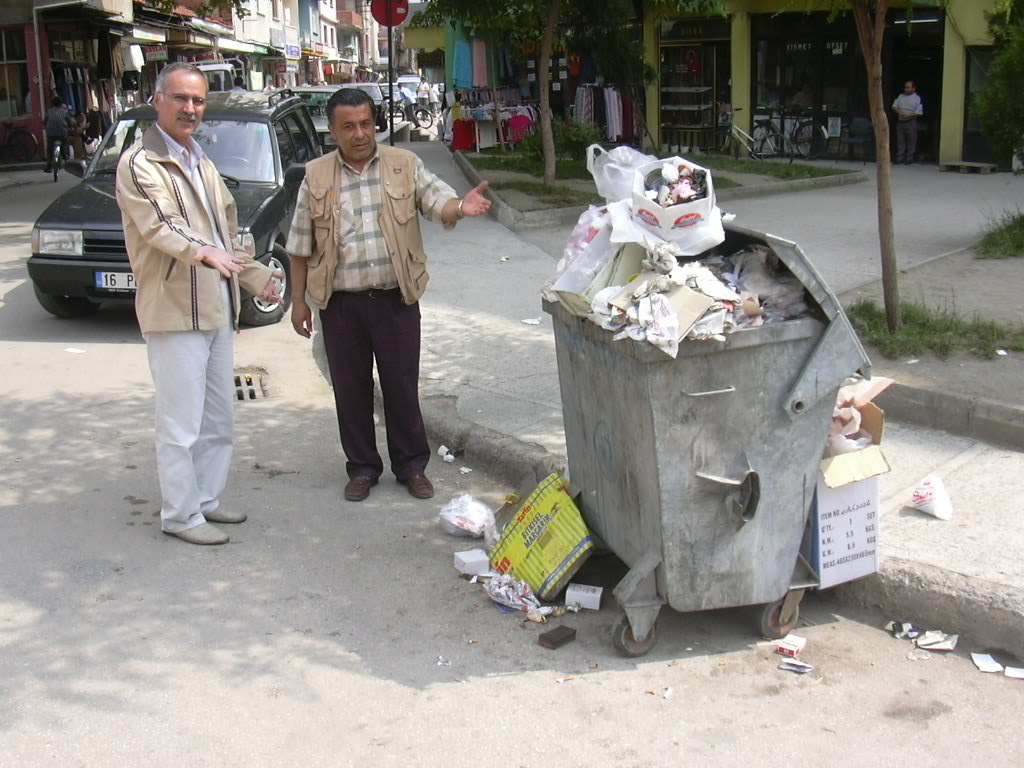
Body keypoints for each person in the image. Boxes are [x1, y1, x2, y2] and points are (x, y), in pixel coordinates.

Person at [286, 87, 491, 503]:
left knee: (401, 385)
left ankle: (411, 466)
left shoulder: (404, 165)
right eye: (349, 126)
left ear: (374, 123)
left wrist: (460, 208)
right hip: (341, 305)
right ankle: (362, 468)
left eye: (366, 123)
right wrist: (299, 302)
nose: (360, 134)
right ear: (334, 130)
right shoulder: (317, 175)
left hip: (396, 298)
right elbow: (300, 244)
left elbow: (437, 202)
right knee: (350, 389)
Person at [115, 62, 281, 545]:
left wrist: (255, 277)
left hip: (216, 307)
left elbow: (225, 234)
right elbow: (162, 227)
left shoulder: (199, 159)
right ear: (158, 100)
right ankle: (181, 516)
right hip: (172, 310)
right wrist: (204, 251)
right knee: (179, 423)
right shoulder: (139, 163)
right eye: (181, 99)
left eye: (198, 101)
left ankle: (206, 501)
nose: (191, 109)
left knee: (218, 420)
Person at [891, 79, 923, 165]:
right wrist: (901, 113)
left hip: (911, 122)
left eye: (908, 88)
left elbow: (918, 112)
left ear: (913, 88)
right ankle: (900, 157)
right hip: (900, 121)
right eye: (905, 87)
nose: (906, 89)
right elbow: (894, 107)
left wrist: (908, 116)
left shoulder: (917, 98)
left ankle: (909, 158)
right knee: (900, 140)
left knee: (911, 140)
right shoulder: (900, 96)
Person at [43, 96, 72, 173]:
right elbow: (70, 122)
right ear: (61, 104)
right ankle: (64, 154)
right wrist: (70, 127)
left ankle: (48, 166)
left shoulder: (49, 112)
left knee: (49, 149)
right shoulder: (64, 112)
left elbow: (44, 122)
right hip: (62, 133)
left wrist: (44, 125)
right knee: (65, 141)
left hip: (51, 134)